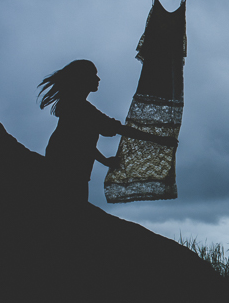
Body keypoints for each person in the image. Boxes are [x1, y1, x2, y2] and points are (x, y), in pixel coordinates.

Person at [38, 59, 177, 202]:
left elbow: (81, 143)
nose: (98, 78)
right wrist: (159, 140)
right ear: (82, 78)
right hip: (68, 171)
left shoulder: (74, 106)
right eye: (93, 74)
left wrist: (104, 161)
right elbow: (119, 130)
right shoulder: (81, 109)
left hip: (66, 167)